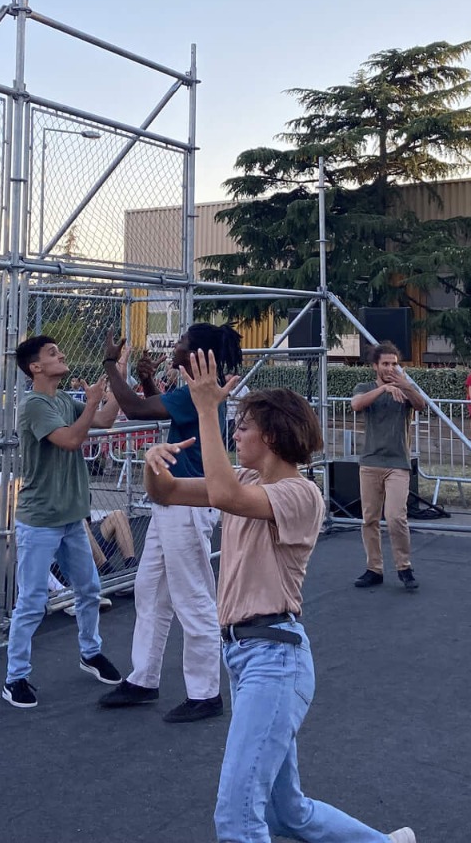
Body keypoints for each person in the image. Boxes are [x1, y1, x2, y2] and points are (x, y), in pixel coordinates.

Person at [142, 351, 415, 843]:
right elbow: (167, 494)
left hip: (275, 659)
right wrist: (151, 466)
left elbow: (224, 496)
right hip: (248, 659)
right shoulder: (247, 479)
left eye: (243, 426)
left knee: (238, 818)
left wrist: (206, 408)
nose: (235, 434)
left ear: (269, 436)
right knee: (288, 813)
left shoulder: (299, 493)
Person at [97, 325, 241, 724]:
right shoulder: (196, 391)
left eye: (181, 342)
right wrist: (144, 379)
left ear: (196, 355)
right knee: (151, 591)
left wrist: (112, 366)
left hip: (187, 502)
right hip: (173, 500)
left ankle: (205, 692)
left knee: (192, 598)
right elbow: (157, 404)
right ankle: (144, 678)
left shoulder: (199, 392)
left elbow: (138, 410)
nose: (174, 346)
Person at [3, 336, 123, 709]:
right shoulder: (35, 404)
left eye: (60, 349)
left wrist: (115, 374)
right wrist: (89, 404)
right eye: (52, 353)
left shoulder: (61, 399)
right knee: (32, 601)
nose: (62, 354)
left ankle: (91, 653)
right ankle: (15, 677)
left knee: (89, 589)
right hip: (40, 520)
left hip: (71, 517)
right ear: (35, 367)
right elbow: (71, 440)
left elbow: (102, 420)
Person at [350, 342, 427, 592]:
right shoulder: (366, 388)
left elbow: (421, 405)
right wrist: (383, 389)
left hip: (398, 464)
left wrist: (403, 385)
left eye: (394, 364)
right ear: (375, 366)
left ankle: (404, 567)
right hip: (370, 462)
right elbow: (357, 404)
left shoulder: (405, 389)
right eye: (385, 364)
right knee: (369, 519)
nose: (390, 367)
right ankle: (374, 568)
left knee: (395, 517)